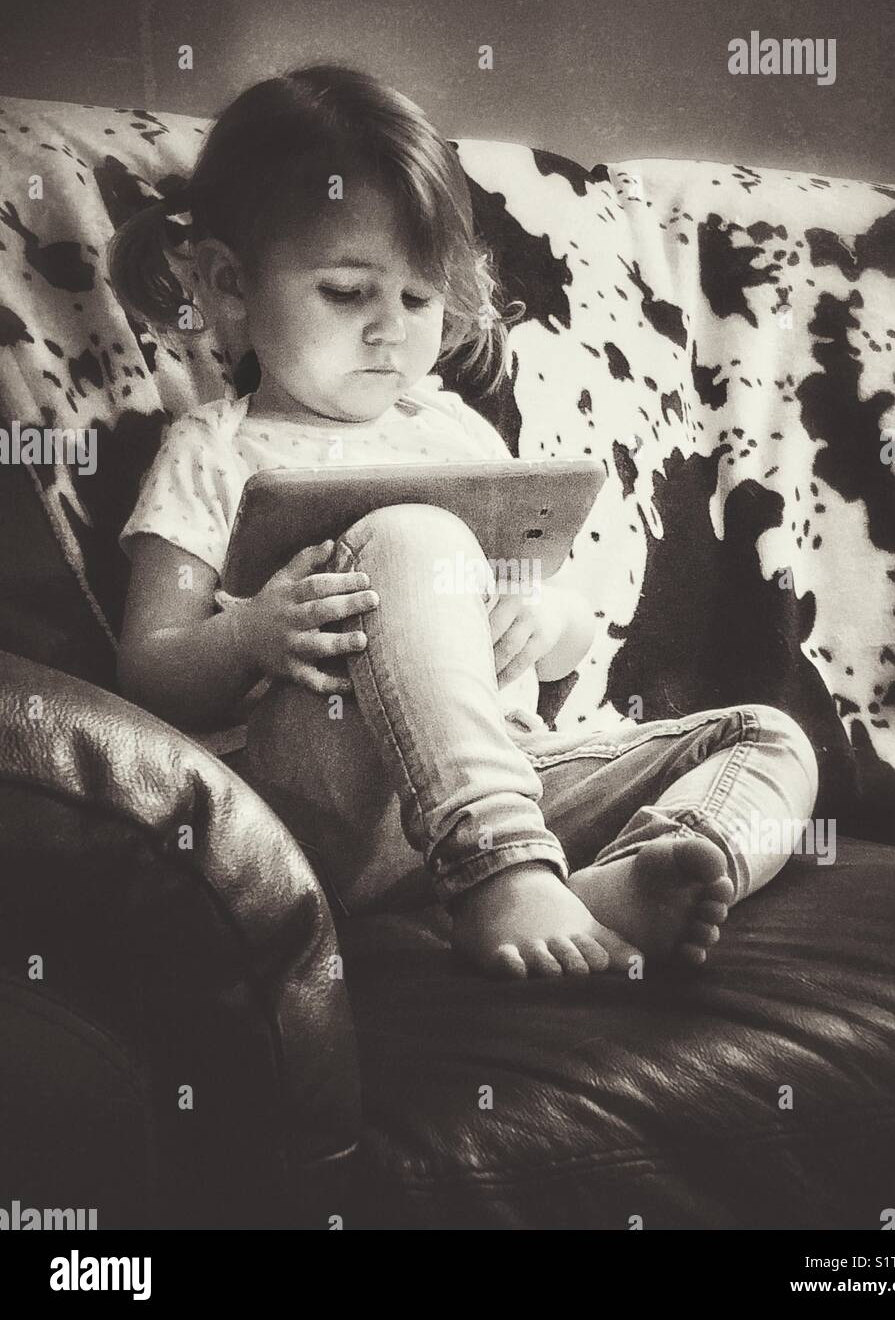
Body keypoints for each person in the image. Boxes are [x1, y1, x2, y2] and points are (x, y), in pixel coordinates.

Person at [111, 61, 818, 980]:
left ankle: (640, 876)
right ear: (229, 284)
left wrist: (549, 620)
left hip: (509, 773)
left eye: (415, 298)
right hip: (320, 802)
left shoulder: (456, 429)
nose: (388, 330)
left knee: (766, 736)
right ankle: (503, 876)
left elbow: (558, 638)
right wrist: (249, 635)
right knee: (413, 537)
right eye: (345, 291)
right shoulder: (214, 447)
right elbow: (144, 672)